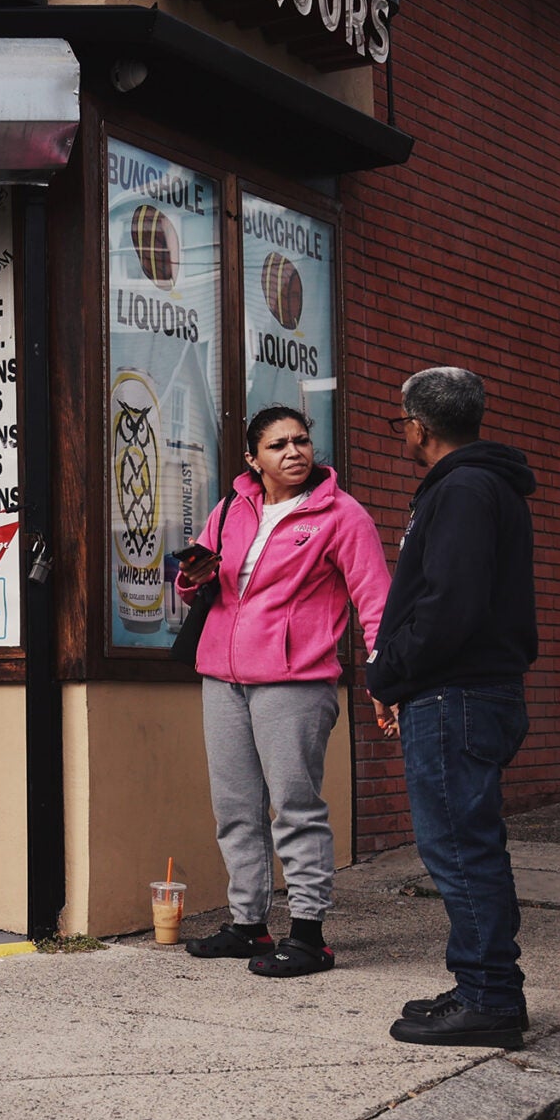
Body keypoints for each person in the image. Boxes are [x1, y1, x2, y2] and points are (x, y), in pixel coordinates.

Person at [175, 407, 391, 975]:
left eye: (301, 441)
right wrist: (189, 577)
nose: (293, 452)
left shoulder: (340, 515)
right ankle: (249, 925)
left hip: (294, 679)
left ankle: (309, 934)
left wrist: (386, 672)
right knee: (235, 808)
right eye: (277, 445)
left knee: (295, 807)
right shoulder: (231, 508)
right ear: (254, 458)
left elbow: (375, 599)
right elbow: (202, 579)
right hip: (223, 677)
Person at [366, 368, 541, 1048]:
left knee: (461, 851)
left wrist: (389, 671)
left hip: (455, 695)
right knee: (468, 846)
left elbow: (447, 606)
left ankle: (490, 998)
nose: (402, 431)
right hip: (464, 691)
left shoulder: (465, 489)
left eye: (400, 421)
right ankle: (483, 983)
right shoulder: (478, 485)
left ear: (420, 425)